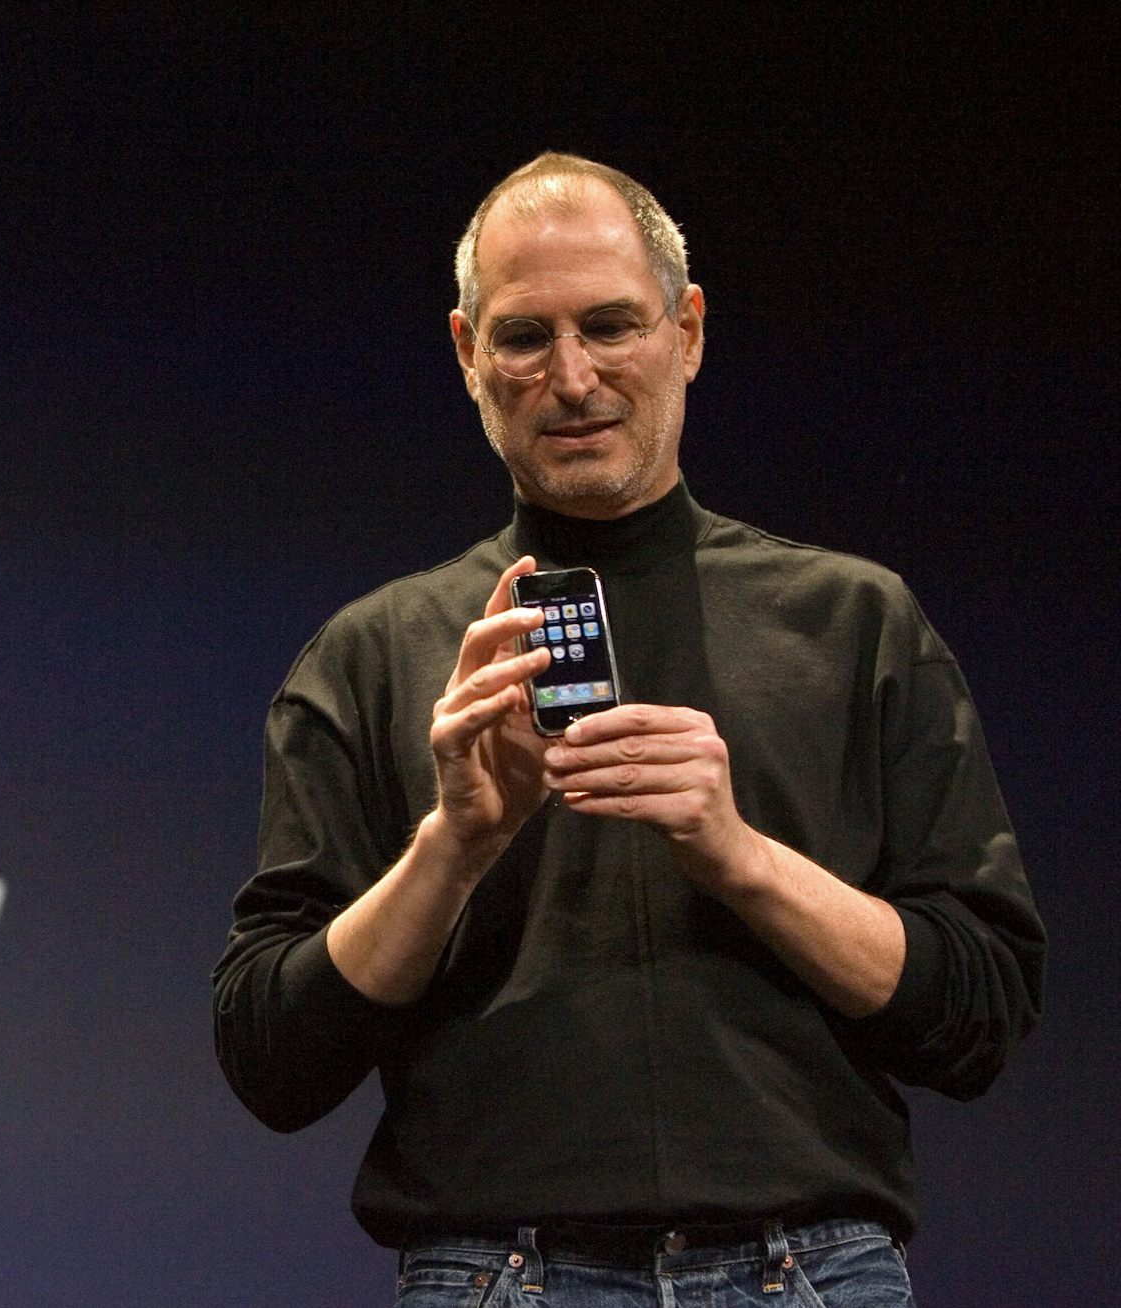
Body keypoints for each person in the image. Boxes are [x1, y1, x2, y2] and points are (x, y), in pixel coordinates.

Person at [211, 153, 1044, 1306]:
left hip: (810, 1271)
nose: (573, 377)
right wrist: (452, 848)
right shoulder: (372, 655)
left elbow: (981, 1011)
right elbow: (271, 1057)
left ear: (687, 331)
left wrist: (740, 858)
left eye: (611, 326)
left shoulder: (854, 623)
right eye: (524, 338)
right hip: (497, 1275)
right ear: (467, 354)